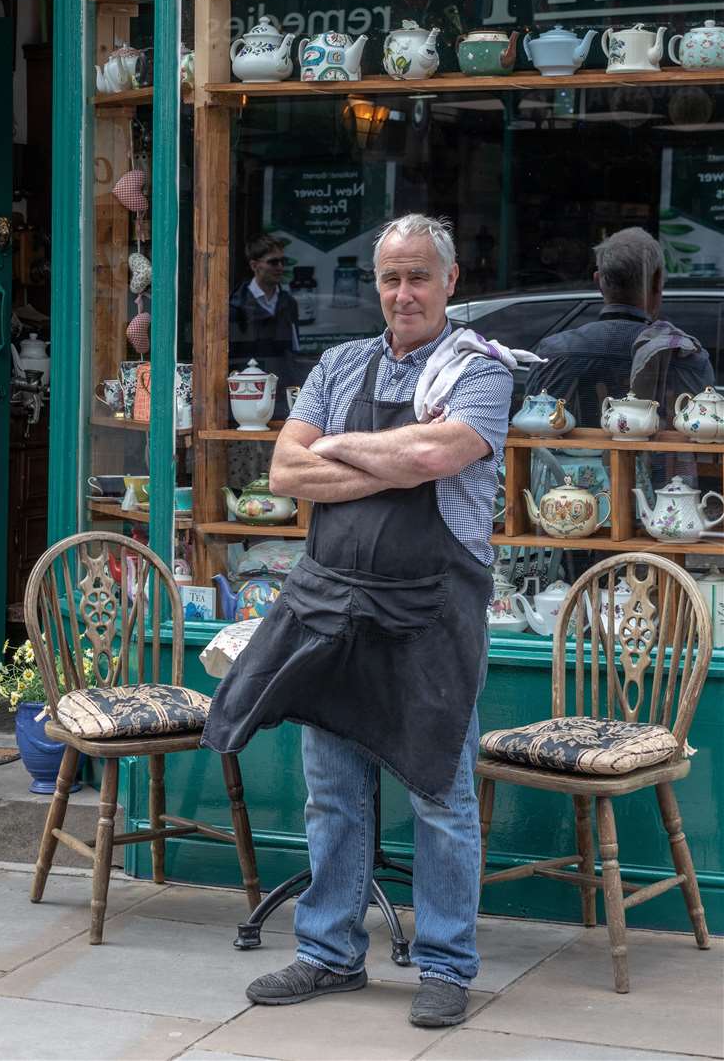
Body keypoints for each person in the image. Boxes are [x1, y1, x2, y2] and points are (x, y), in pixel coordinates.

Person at [203, 214, 515, 1030]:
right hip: (331, 605)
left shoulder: (481, 372)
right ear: (375, 285)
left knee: (441, 797)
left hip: (430, 614)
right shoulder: (340, 363)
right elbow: (283, 471)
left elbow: (431, 460)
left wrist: (342, 449)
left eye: (419, 276)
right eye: (390, 278)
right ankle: (329, 953)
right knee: (331, 793)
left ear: (452, 282)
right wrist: (386, 458)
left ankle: (446, 965)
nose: (403, 292)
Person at [522, 228, 712, 425]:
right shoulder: (686, 355)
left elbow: (534, 436)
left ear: (598, 282)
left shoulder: (553, 352)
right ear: (656, 281)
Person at [228, 233, 304, 416]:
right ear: (255, 265)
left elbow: (293, 349)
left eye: (282, 261)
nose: (280, 267)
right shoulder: (235, 304)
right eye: (273, 262)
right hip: (247, 392)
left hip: (281, 391)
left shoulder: (289, 303)